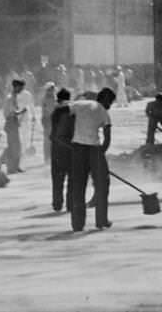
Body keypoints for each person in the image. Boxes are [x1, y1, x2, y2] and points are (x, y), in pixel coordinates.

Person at [69, 87, 115, 231]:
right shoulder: (103, 111)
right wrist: (99, 156)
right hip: (94, 149)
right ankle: (101, 221)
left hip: (77, 149)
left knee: (78, 186)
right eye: (110, 102)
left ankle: (77, 224)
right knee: (102, 185)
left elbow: (64, 115)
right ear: (105, 99)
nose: (110, 106)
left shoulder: (79, 104)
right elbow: (107, 139)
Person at [49, 87, 74, 213]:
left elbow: (53, 134)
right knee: (72, 178)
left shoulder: (55, 112)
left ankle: (57, 203)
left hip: (57, 149)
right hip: (70, 148)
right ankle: (71, 203)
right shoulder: (72, 111)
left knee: (57, 177)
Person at [3, 78, 31, 174]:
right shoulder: (10, 97)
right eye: (21, 87)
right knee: (13, 146)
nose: (22, 90)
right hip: (11, 123)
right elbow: (11, 112)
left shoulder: (14, 97)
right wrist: (22, 112)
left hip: (13, 123)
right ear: (16, 87)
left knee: (16, 146)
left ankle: (15, 166)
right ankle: (11, 167)